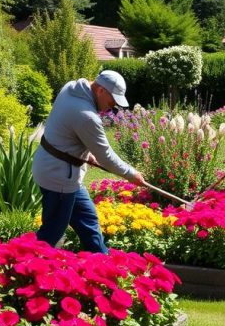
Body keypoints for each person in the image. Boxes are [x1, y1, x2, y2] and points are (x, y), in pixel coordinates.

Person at [32, 70, 146, 253]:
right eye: (111, 102)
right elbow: (106, 156)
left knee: (88, 221)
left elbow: (66, 131)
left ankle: (103, 266)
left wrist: (84, 153)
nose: (111, 108)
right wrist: (131, 174)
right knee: (51, 234)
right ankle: (27, 270)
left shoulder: (71, 87)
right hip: (59, 176)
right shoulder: (86, 116)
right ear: (100, 90)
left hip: (58, 168)